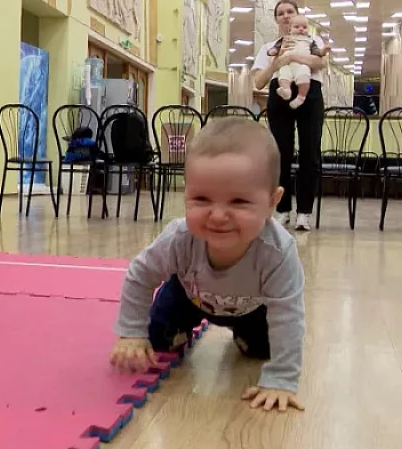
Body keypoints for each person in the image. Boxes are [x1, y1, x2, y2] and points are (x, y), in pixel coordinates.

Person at [108, 117, 306, 413]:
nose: (217, 215)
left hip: (251, 309)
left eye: (238, 202)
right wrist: (131, 332)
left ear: (272, 202)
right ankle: (179, 332)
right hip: (188, 296)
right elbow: (140, 275)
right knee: (155, 342)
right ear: (185, 193)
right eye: (201, 198)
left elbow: (288, 315)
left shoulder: (277, 252)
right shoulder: (180, 238)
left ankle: (240, 336)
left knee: (263, 349)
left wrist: (281, 379)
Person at [251, 0, 327, 232]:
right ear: (276, 20)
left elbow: (320, 62)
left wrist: (293, 58)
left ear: (298, 16)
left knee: (309, 152)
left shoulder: (314, 40)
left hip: (310, 92)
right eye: (281, 13)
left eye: (290, 12)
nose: (285, 16)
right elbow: (259, 81)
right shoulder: (268, 47)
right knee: (281, 152)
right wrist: (278, 61)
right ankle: (282, 210)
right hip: (279, 92)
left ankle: (304, 212)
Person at [266, 15, 330, 109]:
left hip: (303, 65)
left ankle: (301, 96)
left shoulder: (310, 41)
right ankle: (286, 90)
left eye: (304, 27)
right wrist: (272, 51)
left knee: (304, 74)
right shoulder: (285, 39)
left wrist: (322, 51)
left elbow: (317, 52)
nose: (301, 29)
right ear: (290, 29)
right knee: (283, 72)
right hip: (288, 65)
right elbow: (276, 48)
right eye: (297, 27)